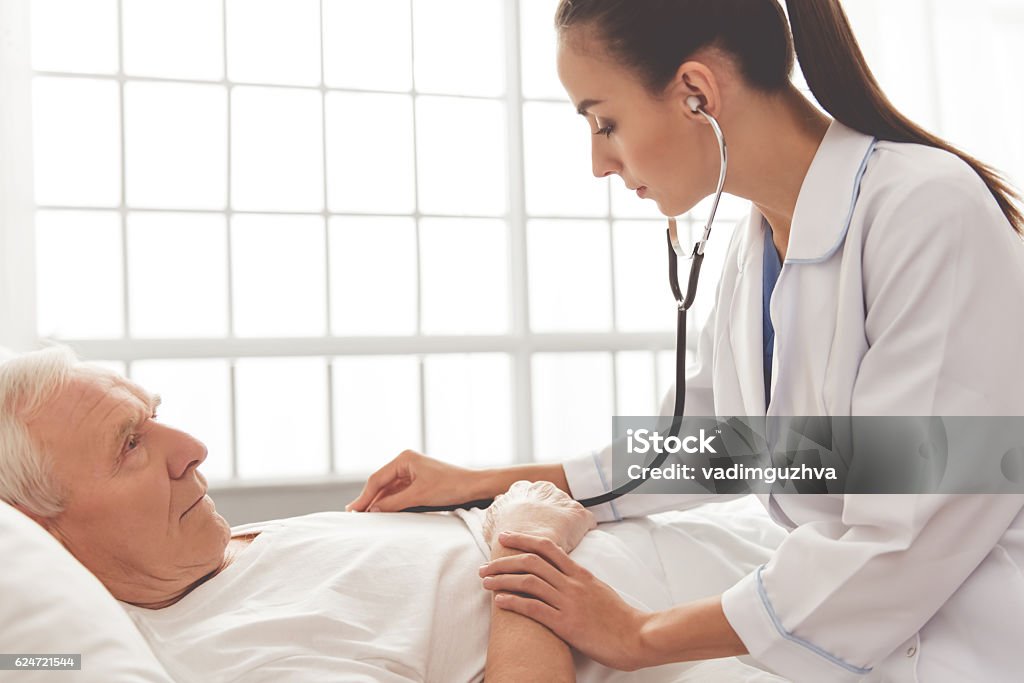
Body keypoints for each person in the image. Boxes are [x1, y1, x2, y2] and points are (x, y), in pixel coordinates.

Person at [348, 1, 1024, 681]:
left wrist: (638, 633)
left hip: (972, 647)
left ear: (696, 94)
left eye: (604, 121)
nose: (596, 162)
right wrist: (481, 481)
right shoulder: (752, 249)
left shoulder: (927, 212)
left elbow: (900, 539)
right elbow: (719, 442)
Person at [0, 346, 783, 682]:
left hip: (772, 542)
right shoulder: (216, 658)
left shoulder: (219, 553)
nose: (194, 446)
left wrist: (490, 483)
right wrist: (526, 547)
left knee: (861, 457)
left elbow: (750, 452)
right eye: (131, 443)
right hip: (778, 619)